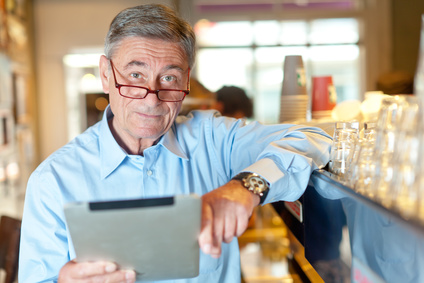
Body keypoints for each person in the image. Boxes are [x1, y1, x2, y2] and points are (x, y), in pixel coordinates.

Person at [19, 4, 332, 283]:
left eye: (168, 78)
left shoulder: (213, 139)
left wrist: (247, 186)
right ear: (106, 75)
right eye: (135, 75)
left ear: (186, 80)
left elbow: (319, 138)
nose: (152, 99)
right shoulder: (53, 181)